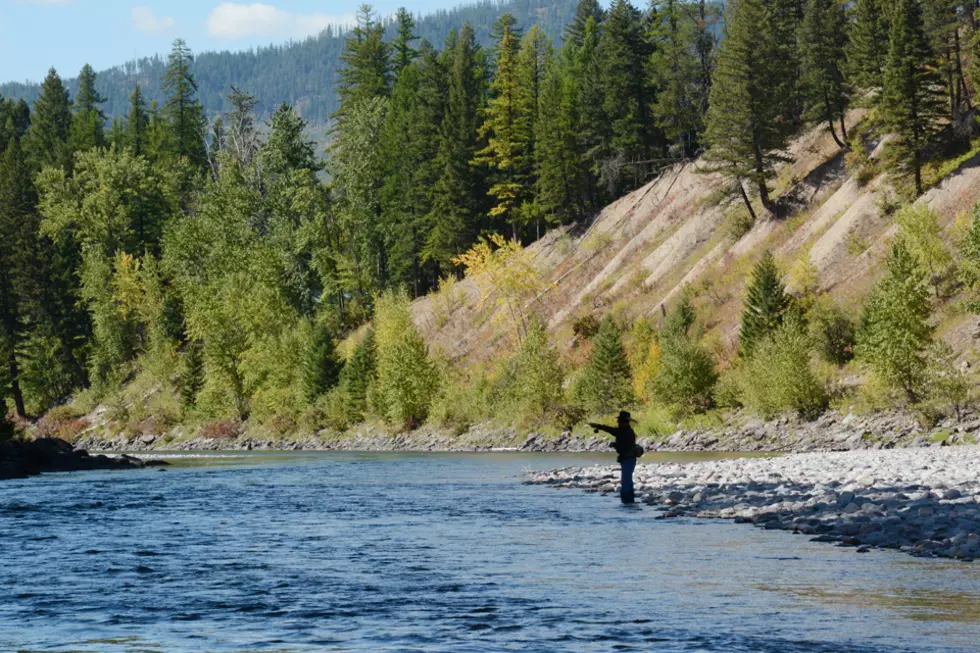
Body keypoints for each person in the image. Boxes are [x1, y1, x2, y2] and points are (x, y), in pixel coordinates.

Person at [589, 411, 637, 504]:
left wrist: (615, 445)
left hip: (628, 459)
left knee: (626, 482)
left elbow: (624, 446)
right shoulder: (625, 431)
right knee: (627, 481)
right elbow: (612, 431)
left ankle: (627, 502)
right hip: (628, 459)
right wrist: (599, 426)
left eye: (619, 421)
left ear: (625, 422)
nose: (618, 422)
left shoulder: (626, 432)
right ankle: (629, 502)